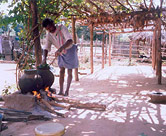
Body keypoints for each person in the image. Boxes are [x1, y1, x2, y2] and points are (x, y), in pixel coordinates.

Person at [42, 18, 79, 96]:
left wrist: (61, 48)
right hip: (61, 52)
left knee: (69, 71)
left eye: (50, 27)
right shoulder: (49, 35)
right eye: (47, 29)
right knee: (61, 71)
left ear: (53, 23)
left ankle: (67, 91)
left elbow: (70, 41)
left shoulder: (62, 28)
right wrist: (44, 59)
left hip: (69, 50)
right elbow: (46, 47)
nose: (49, 30)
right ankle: (61, 91)